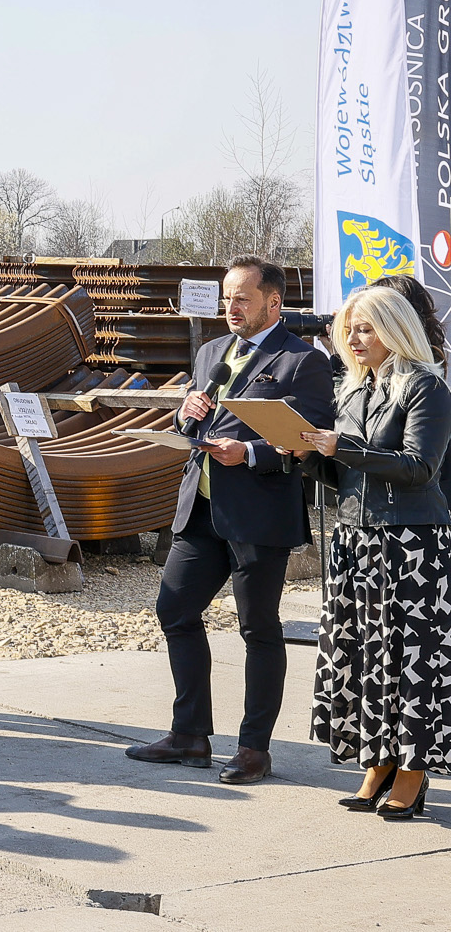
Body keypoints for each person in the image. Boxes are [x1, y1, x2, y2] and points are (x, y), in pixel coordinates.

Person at [126, 254, 336, 785]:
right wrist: (184, 416)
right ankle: (189, 734)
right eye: (227, 298)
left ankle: (253, 749)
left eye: (242, 298)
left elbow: (310, 441)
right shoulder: (210, 352)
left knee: (257, 628)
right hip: (200, 508)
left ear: (273, 302)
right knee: (174, 610)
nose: (231, 307)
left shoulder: (303, 361)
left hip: (259, 516)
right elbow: (192, 423)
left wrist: (251, 453)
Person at [296, 286, 451, 819]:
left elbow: (419, 468)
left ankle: (413, 770)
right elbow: (344, 476)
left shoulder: (426, 386)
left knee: (411, 662)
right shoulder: (352, 389)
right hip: (355, 540)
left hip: (412, 543)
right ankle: (379, 762)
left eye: (365, 328)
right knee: (366, 658)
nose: (354, 338)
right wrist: (307, 454)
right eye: (349, 329)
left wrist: (343, 447)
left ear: (394, 328)